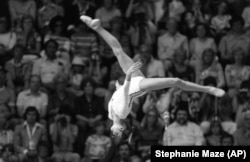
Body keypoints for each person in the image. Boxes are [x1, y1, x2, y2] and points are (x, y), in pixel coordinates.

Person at [80, 15, 225, 137]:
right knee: (176, 81)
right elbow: (126, 92)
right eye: (119, 133)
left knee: (118, 51)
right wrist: (128, 76)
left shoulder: (110, 114)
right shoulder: (122, 113)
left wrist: (119, 86)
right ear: (123, 127)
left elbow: (118, 94)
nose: (116, 132)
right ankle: (208, 89)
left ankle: (97, 27)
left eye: (114, 133)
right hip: (138, 86)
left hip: (132, 82)